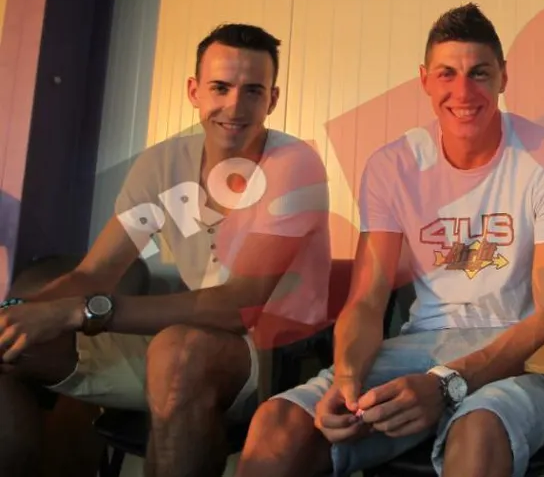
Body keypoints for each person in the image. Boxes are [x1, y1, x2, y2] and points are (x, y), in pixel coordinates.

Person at [236, 3, 544, 477]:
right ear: (424, 80)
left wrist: (447, 385)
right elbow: (366, 301)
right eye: (447, 74)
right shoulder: (393, 165)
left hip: (523, 353)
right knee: (278, 425)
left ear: (503, 77)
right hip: (421, 345)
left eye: (479, 73)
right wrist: (348, 378)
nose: (463, 91)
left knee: (478, 434)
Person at [0, 23, 331, 477]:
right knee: (13, 348)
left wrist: (78, 311)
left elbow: (240, 307)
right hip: (187, 341)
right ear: (195, 91)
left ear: (272, 100)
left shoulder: (294, 163)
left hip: (281, 352)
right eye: (220, 87)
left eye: (253, 91)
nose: (235, 106)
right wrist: (17, 314)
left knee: (177, 353)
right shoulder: (162, 163)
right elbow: (94, 273)